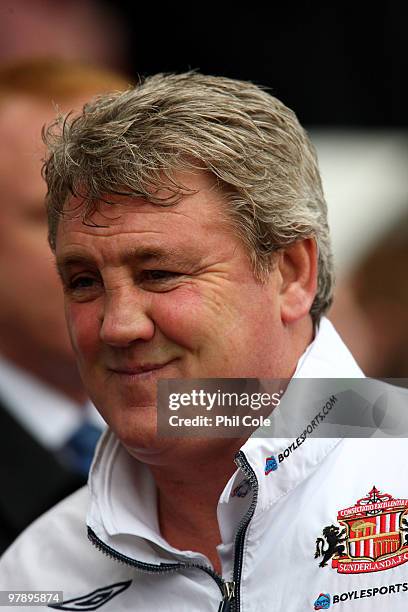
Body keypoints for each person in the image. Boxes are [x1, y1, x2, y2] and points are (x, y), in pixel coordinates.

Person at [0, 73, 407, 611]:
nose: (118, 325)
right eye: (83, 282)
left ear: (290, 274)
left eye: (160, 273)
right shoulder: (33, 576)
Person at [0, 59, 129, 552]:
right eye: (53, 215)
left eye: (141, 211)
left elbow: (376, 415)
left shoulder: (220, 398)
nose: (108, 249)